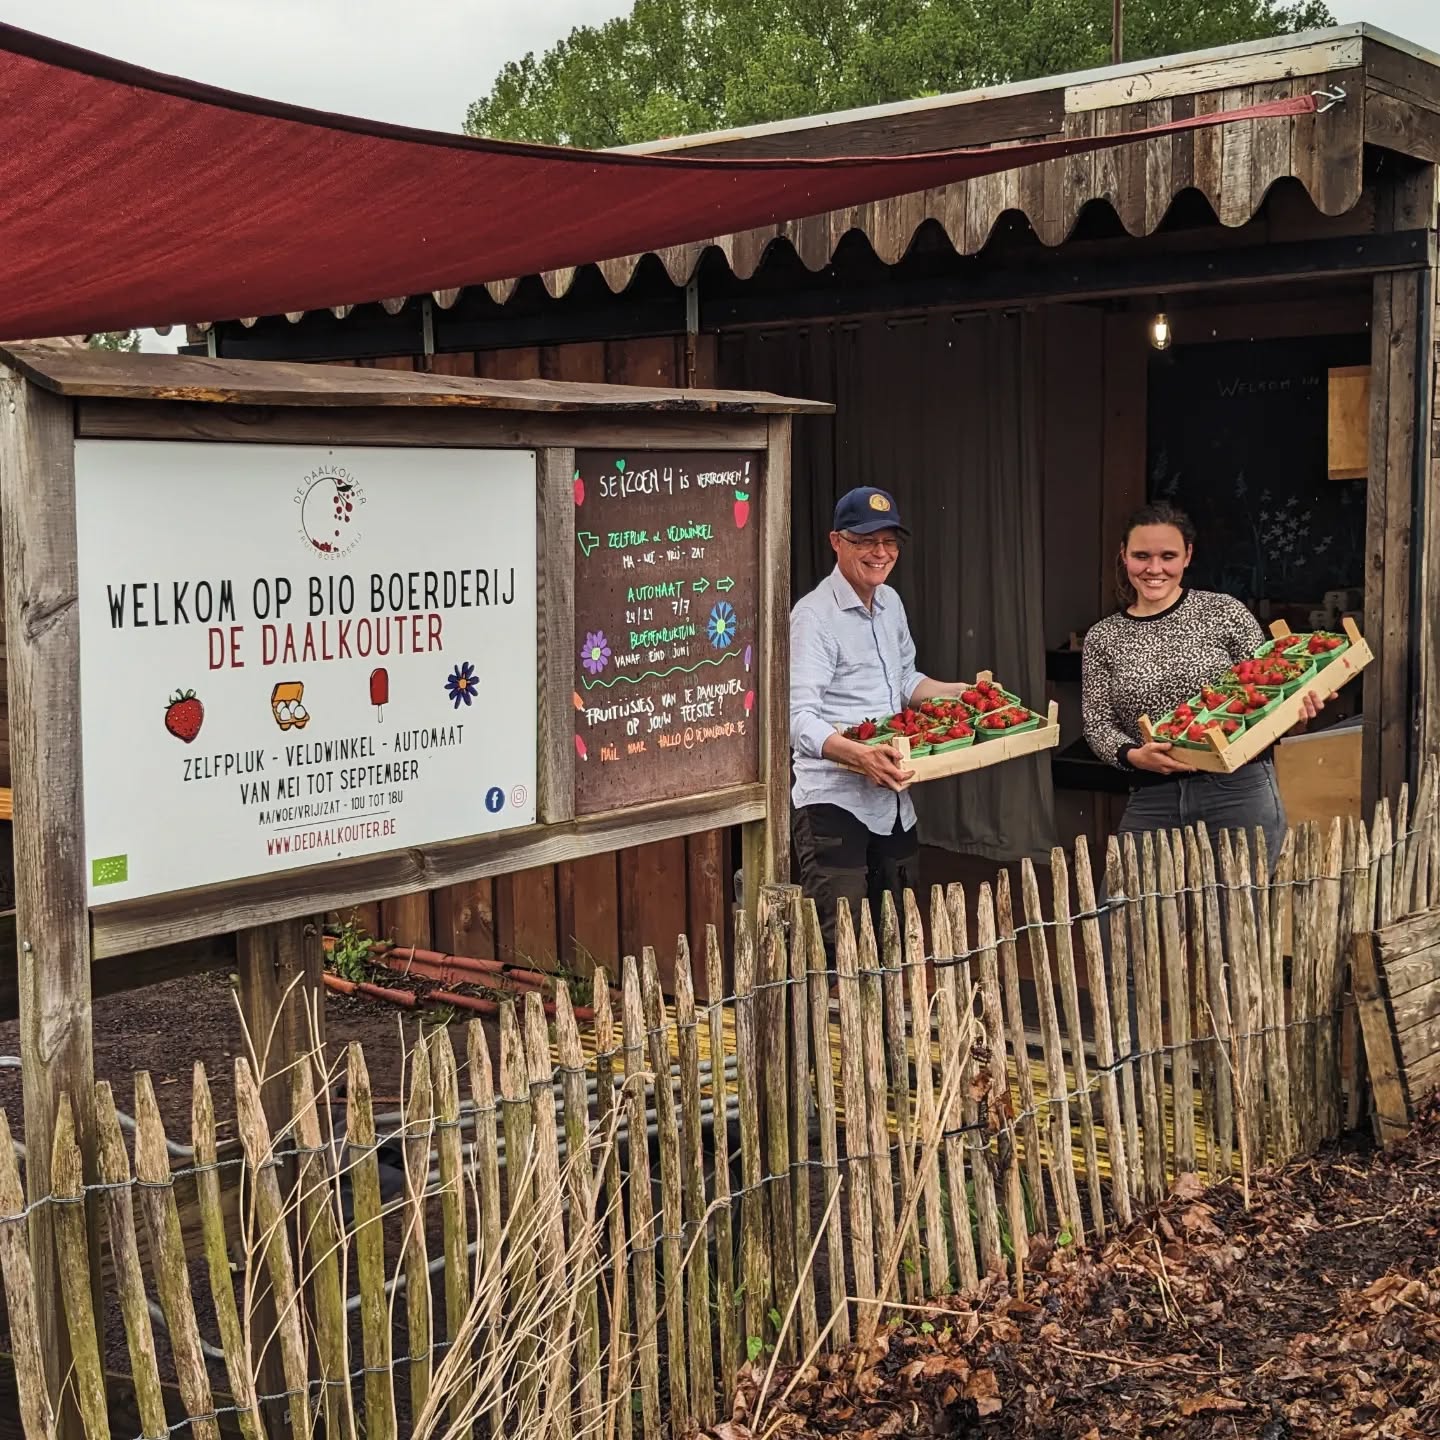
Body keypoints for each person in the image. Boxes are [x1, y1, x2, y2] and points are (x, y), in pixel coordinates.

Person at [1082, 500, 1323, 871]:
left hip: (1237, 790)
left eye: (1168, 556)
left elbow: (1266, 691)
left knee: (1237, 906)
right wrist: (1132, 755)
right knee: (1125, 903)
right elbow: (1098, 724)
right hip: (1153, 796)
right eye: (1142, 556)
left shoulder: (1224, 612)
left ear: (1188, 556)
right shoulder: (1103, 637)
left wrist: (1297, 715)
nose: (1154, 568)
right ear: (1124, 555)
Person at [789, 486, 971, 954]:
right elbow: (797, 718)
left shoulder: (890, 602)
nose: (880, 552)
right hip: (833, 804)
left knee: (896, 940)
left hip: (892, 801)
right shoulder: (813, 617)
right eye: (866, 540)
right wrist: (859, 755)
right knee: (840, 950)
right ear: (836, 541)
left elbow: (905, 680)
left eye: (889, 541)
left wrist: (964, 693)